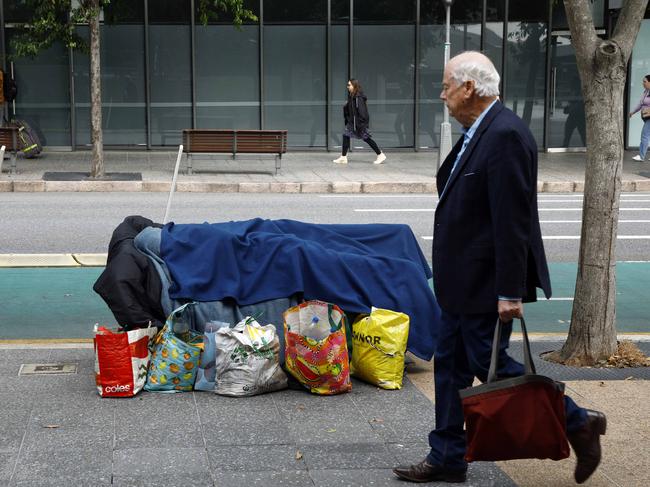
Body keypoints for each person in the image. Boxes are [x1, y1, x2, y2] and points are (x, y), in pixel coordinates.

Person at [393, 51, 606, 485]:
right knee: (451, 367)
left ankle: (578, 421)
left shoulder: (505, 134)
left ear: (469, 88)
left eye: (447, 85)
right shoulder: (479, 130)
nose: (442, 94)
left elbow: (513, 221)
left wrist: (510, 291)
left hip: (486, 283)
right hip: (460, 284)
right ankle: (448, 457)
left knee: (492, 365)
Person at [332, 79, 387, 165]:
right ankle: (343, 157)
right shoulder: (352, 96)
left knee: (367, 138)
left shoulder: (358, 98)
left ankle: (380, 154)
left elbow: (362, 112)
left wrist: (361, 125)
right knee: (345, 135)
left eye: (349, 85)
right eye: (347, 85)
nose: (347, 87)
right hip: (352, 123)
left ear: (354, 86)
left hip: (358, 123)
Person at [628, 74, 650, 161]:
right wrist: (632, 112)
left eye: (645, 82)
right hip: (645, 117)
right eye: (643, 82)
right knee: (647, 135)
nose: (643, 83)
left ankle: (641, 156)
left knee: (644, 135)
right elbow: (640, 104)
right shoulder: (645, 92)